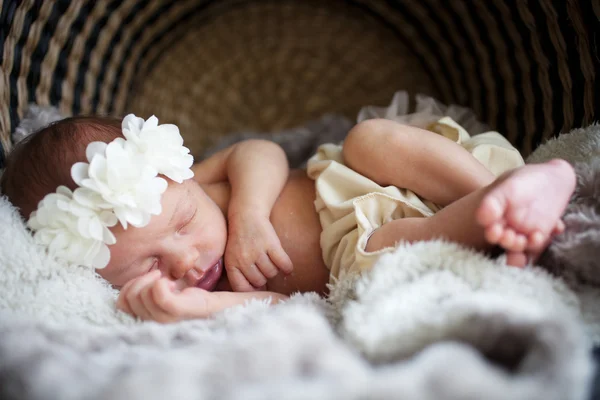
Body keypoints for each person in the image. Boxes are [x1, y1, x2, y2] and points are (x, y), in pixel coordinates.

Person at [0, 113, 576, 324]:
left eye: (182, 225)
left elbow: (260, 151)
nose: (186, 259)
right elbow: (280, 308)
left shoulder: (193, 181)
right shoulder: (195, 290)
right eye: (145, 265)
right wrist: (203, 307)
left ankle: (500, 188)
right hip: (373, 244)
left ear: (179, 177)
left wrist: (248, 214)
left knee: (371, 138)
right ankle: (496, 215)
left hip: (370, 182)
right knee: (384, 253)